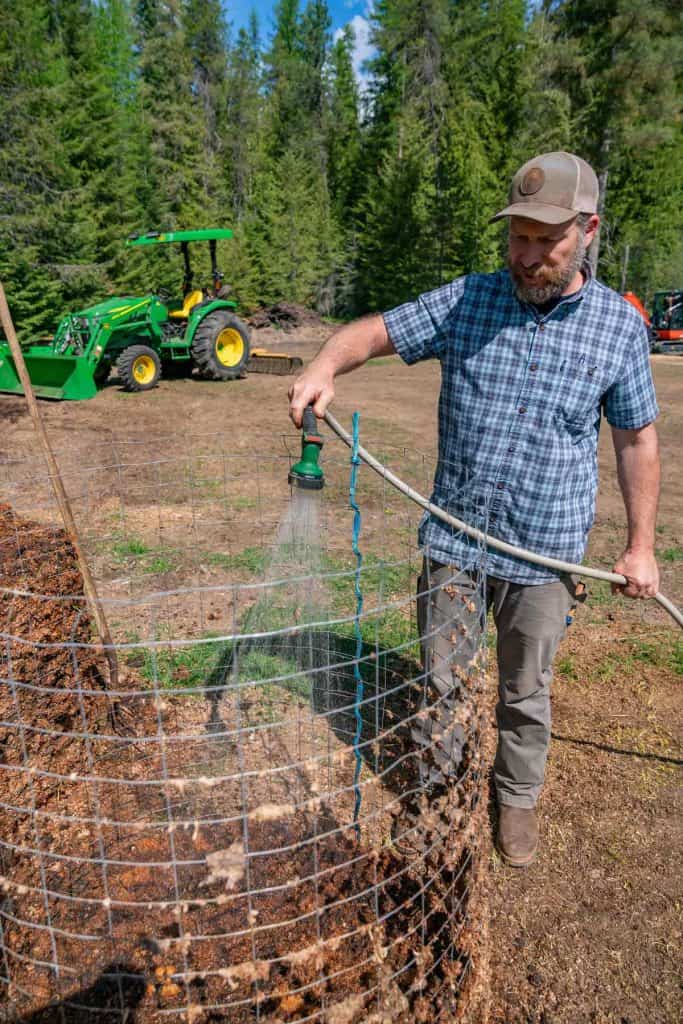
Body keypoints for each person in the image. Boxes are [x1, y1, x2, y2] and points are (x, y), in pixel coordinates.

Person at [288, 151, 660, 867]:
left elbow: (636, 440)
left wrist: (640, 544)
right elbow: (372, 333)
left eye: (543, 241)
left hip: (542, 553)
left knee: (525, 691)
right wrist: (323, 365)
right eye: (516, 237)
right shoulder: (466, 300)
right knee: (440, 683)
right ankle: (437, 791)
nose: (524, 257)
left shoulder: (618, 327)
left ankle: (515, 797)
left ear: (588, 230)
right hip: (455, 543)